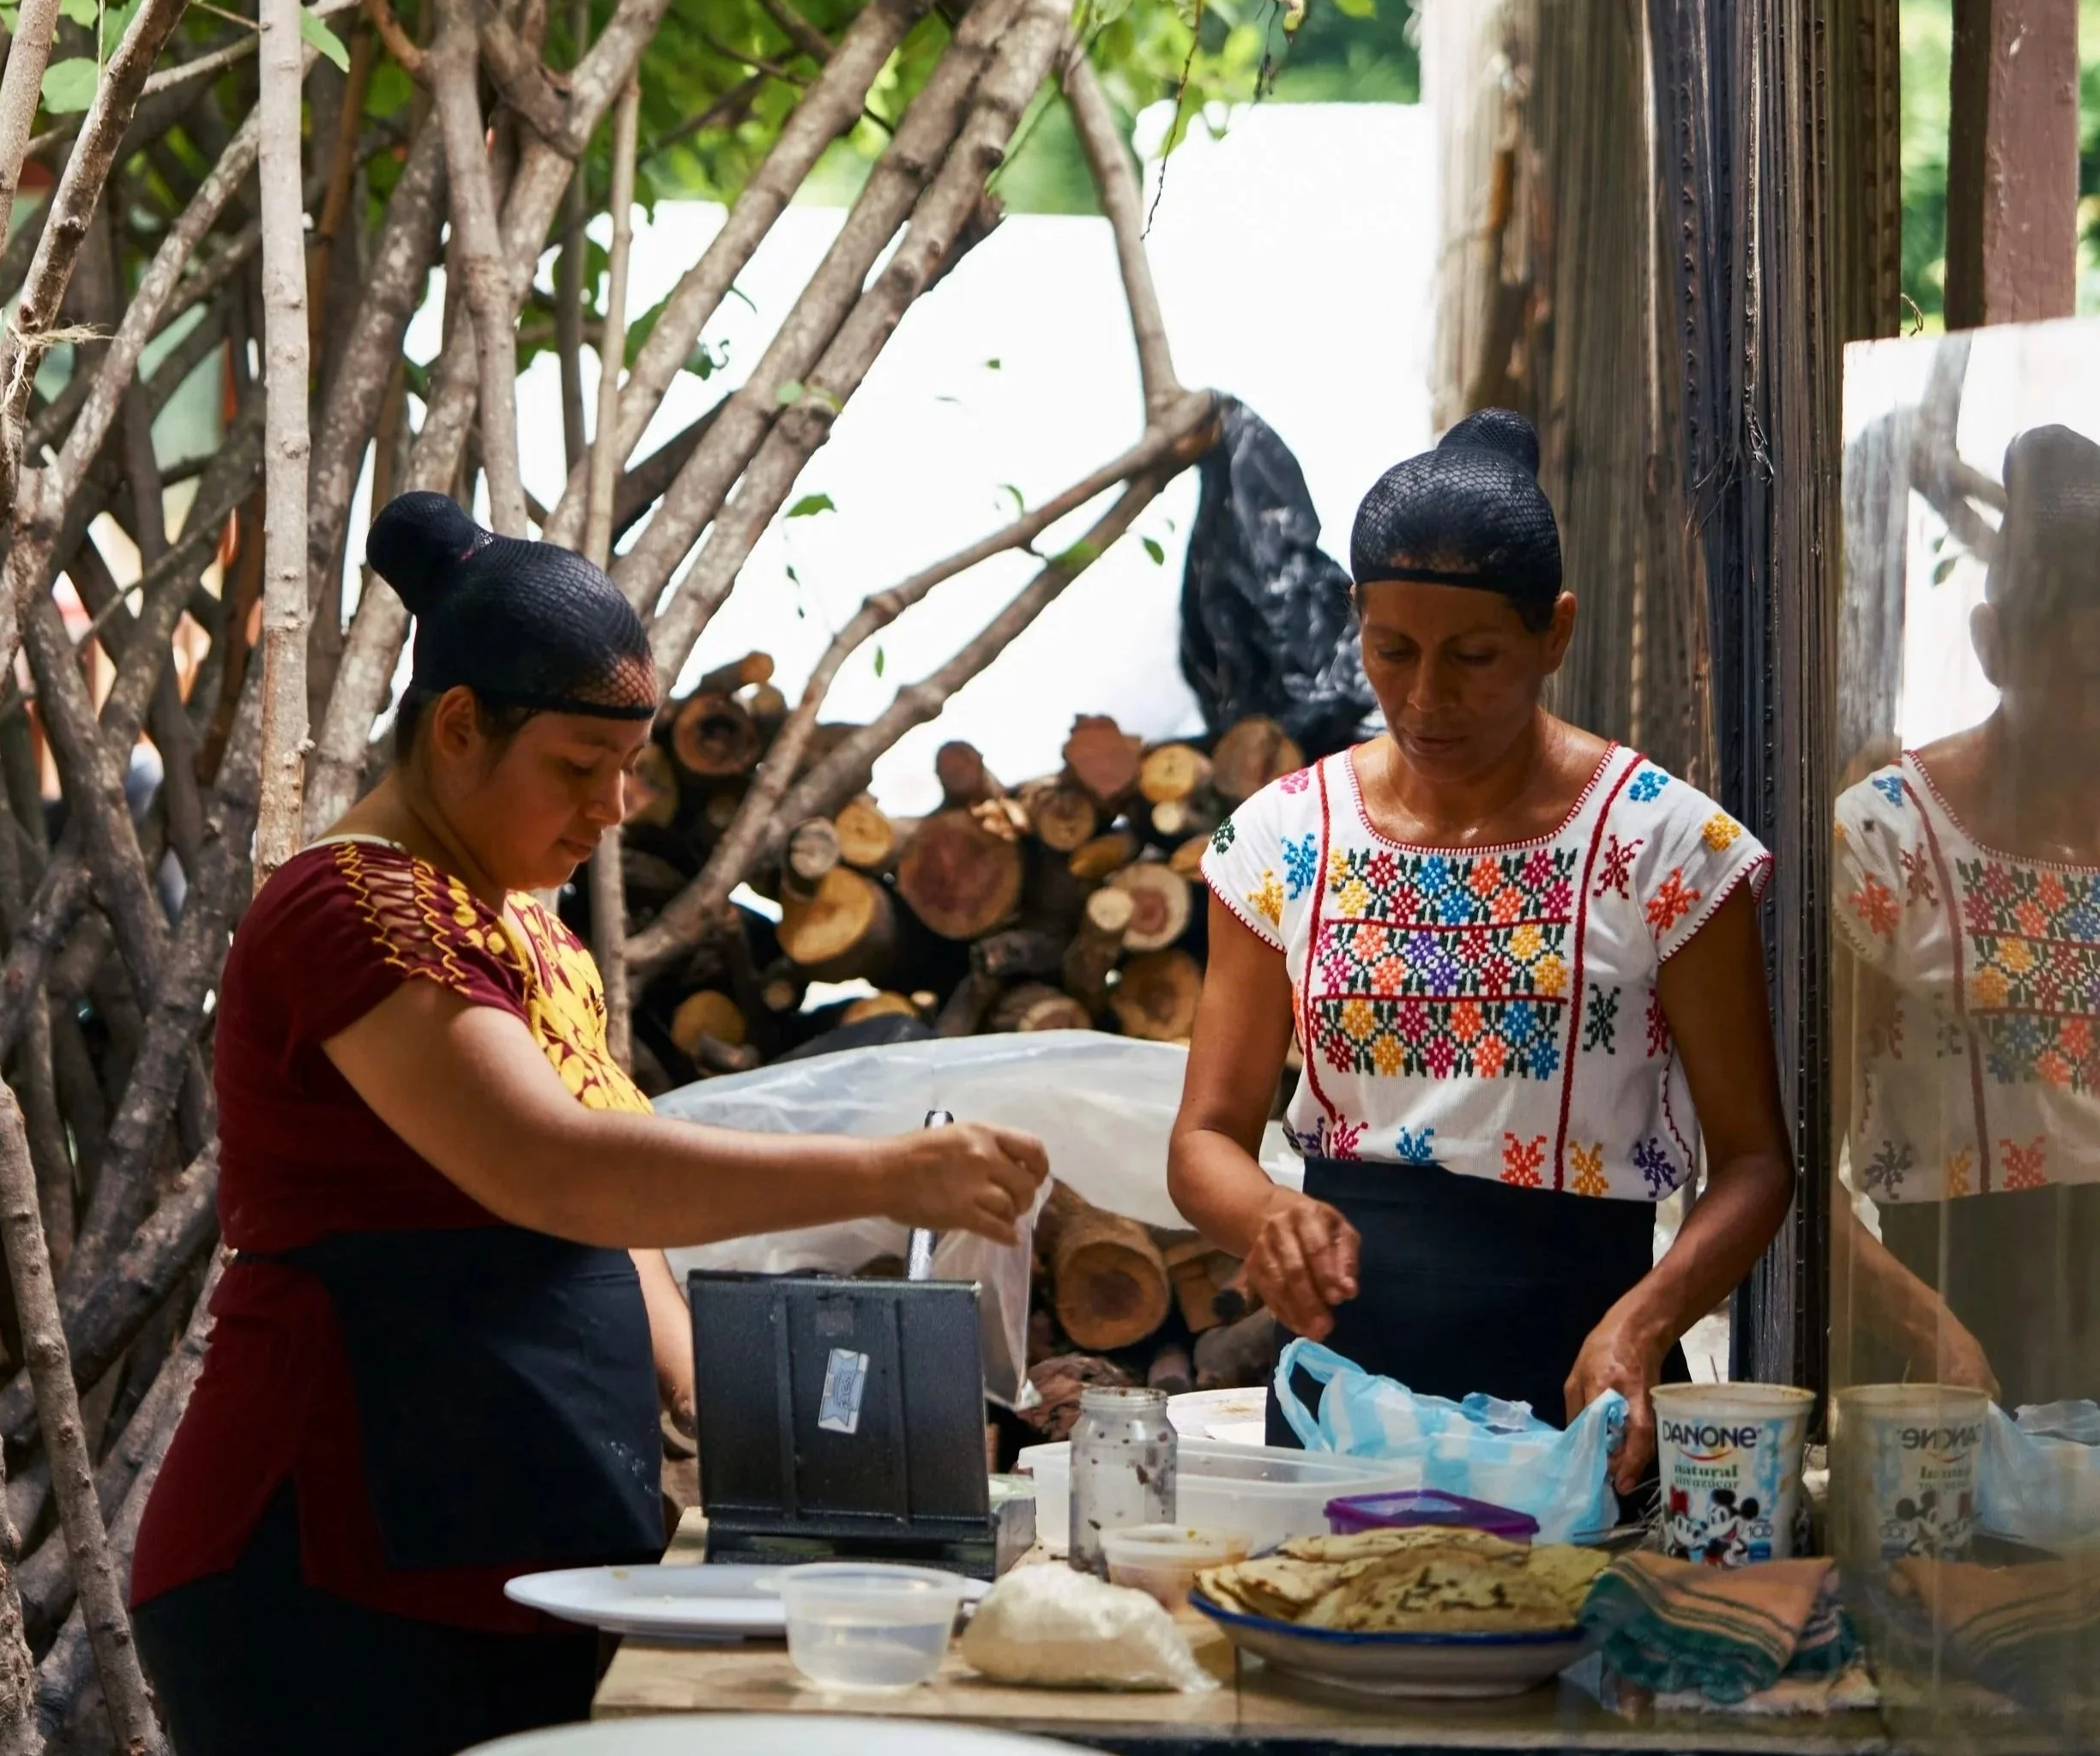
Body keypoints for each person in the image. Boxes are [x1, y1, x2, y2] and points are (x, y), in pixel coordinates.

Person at [131, 494, 1047, 1756]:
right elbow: (561, 1174)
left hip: (503, 1543)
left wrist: (765, 1442)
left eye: (630, 769)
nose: (614, 809)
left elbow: (624, 1241)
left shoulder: (525, 929)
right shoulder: (349, 914)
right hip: (328, 1565)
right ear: (459, 726)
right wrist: (891, 1175)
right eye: (578, 767)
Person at [1168, 410, 1794, 1487]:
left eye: (1472, 656)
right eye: (1390, 650)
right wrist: (1269, 1215)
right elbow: (1202, 1143)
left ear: (1553, 634)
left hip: (1575, 1396)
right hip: (1335, 1414)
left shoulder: (1665, 849)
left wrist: (1644, 1324)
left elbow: (1753, 1164)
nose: (1423, 697)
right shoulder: (1281, 839)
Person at [1832, 423, 2100, 1408]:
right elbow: (1780, 1169)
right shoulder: (1884, 847)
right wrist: (1919, 1327)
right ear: (1993, 649)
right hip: (1956, 1352)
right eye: (2085, 683)